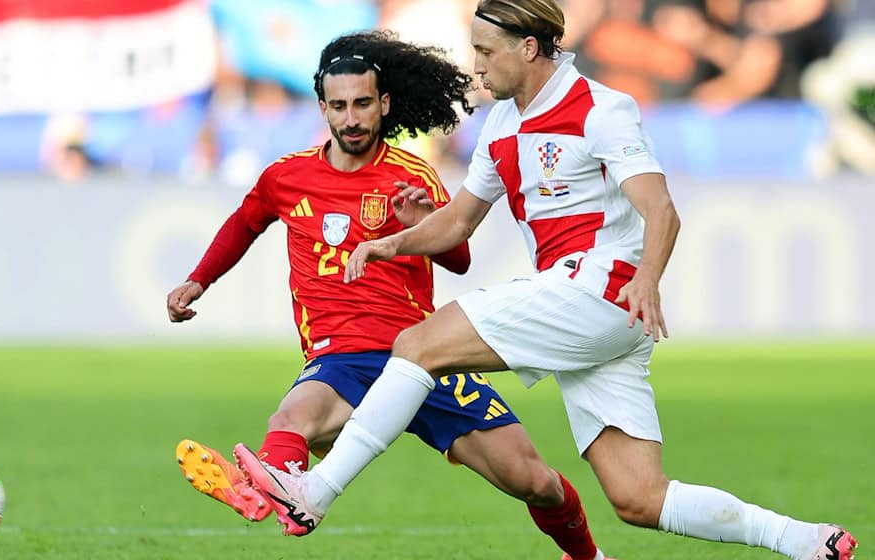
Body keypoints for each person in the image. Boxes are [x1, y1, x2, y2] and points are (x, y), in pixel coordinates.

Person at [233, 3, 859, 560]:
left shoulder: (600, 109)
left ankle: (315, 491)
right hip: (593, 314)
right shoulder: (502, 126)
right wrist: (391, 242)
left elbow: (662, 208)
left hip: (600, 288)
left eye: (484, 52)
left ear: (526, 48)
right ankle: (803, 540)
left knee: (418, 344)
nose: (475, 66)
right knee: (638, 498)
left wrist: (647, 279)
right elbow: (457, 222)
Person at [169, 30, 614, 560]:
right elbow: (243, 224)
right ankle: (266, 489)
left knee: (533, 480)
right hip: (342, 357)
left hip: (424, 354)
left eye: (362, 104)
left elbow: (460, 258)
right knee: (291, 419)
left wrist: (424, 221)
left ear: (383, 104)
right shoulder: (286, 177)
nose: (351, 118)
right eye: (339, 106)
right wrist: (199, 279)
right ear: (323, 108)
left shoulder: (411, 176)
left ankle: (587, 557)